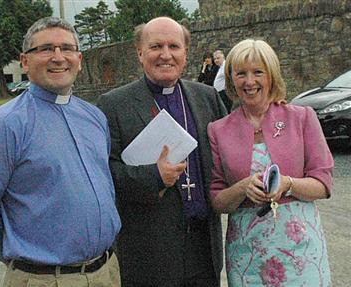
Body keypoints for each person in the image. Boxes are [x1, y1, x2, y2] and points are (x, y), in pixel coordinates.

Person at [0, 17, 121, 287]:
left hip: (107, 272)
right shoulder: (5, 125)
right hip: (44, 279)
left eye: (67, 49)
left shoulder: (94, 116)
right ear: (25, 61)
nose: (58, 58)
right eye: (46, 49)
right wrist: (24, 257)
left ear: (79, 59)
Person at [97, 17, 226, 287]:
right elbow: (104, 173)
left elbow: (233, 145)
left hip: (203, 249)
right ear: (140, 53)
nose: (165, 55)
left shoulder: (207, 98)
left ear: (185, 54)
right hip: (148, 255)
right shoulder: (113, 105)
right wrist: (153, 176)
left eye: (174, 47)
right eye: (156, 46)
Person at [207, 39, 334, 286]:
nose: (249, 81)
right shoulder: (218, 130)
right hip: (247, 256)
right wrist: (242, 187)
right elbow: (217, 200)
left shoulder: (302, 118)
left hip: (301, 253)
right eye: (240, 73)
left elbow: (323, 183)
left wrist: (287, 184)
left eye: (258, 72)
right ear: (231, 79)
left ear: (271, 76)